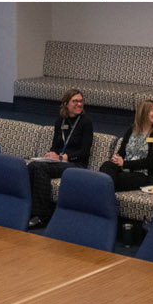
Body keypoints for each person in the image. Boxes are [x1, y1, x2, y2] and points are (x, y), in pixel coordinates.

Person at [27, 88, 94, 229]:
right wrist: (51, 154)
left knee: (40, 168)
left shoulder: (86, 122)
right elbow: (55, 145)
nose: (79, 104)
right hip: (59, 162)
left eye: (81, 101)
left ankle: (42, 215)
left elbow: (84, 152)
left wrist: (63, 157)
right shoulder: (60, 120)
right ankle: (28, 208)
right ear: (66, 104)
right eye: (75, 101)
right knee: (32, 165)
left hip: (76, 164)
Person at [98, 100, 153, 191]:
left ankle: (100, 196)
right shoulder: (131, 130)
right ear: (144, 112)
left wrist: (125, 163)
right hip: (125, 169)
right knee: (106, 165)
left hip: (144, 175)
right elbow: (122, 152)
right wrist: (117, 158)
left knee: (110, 180)